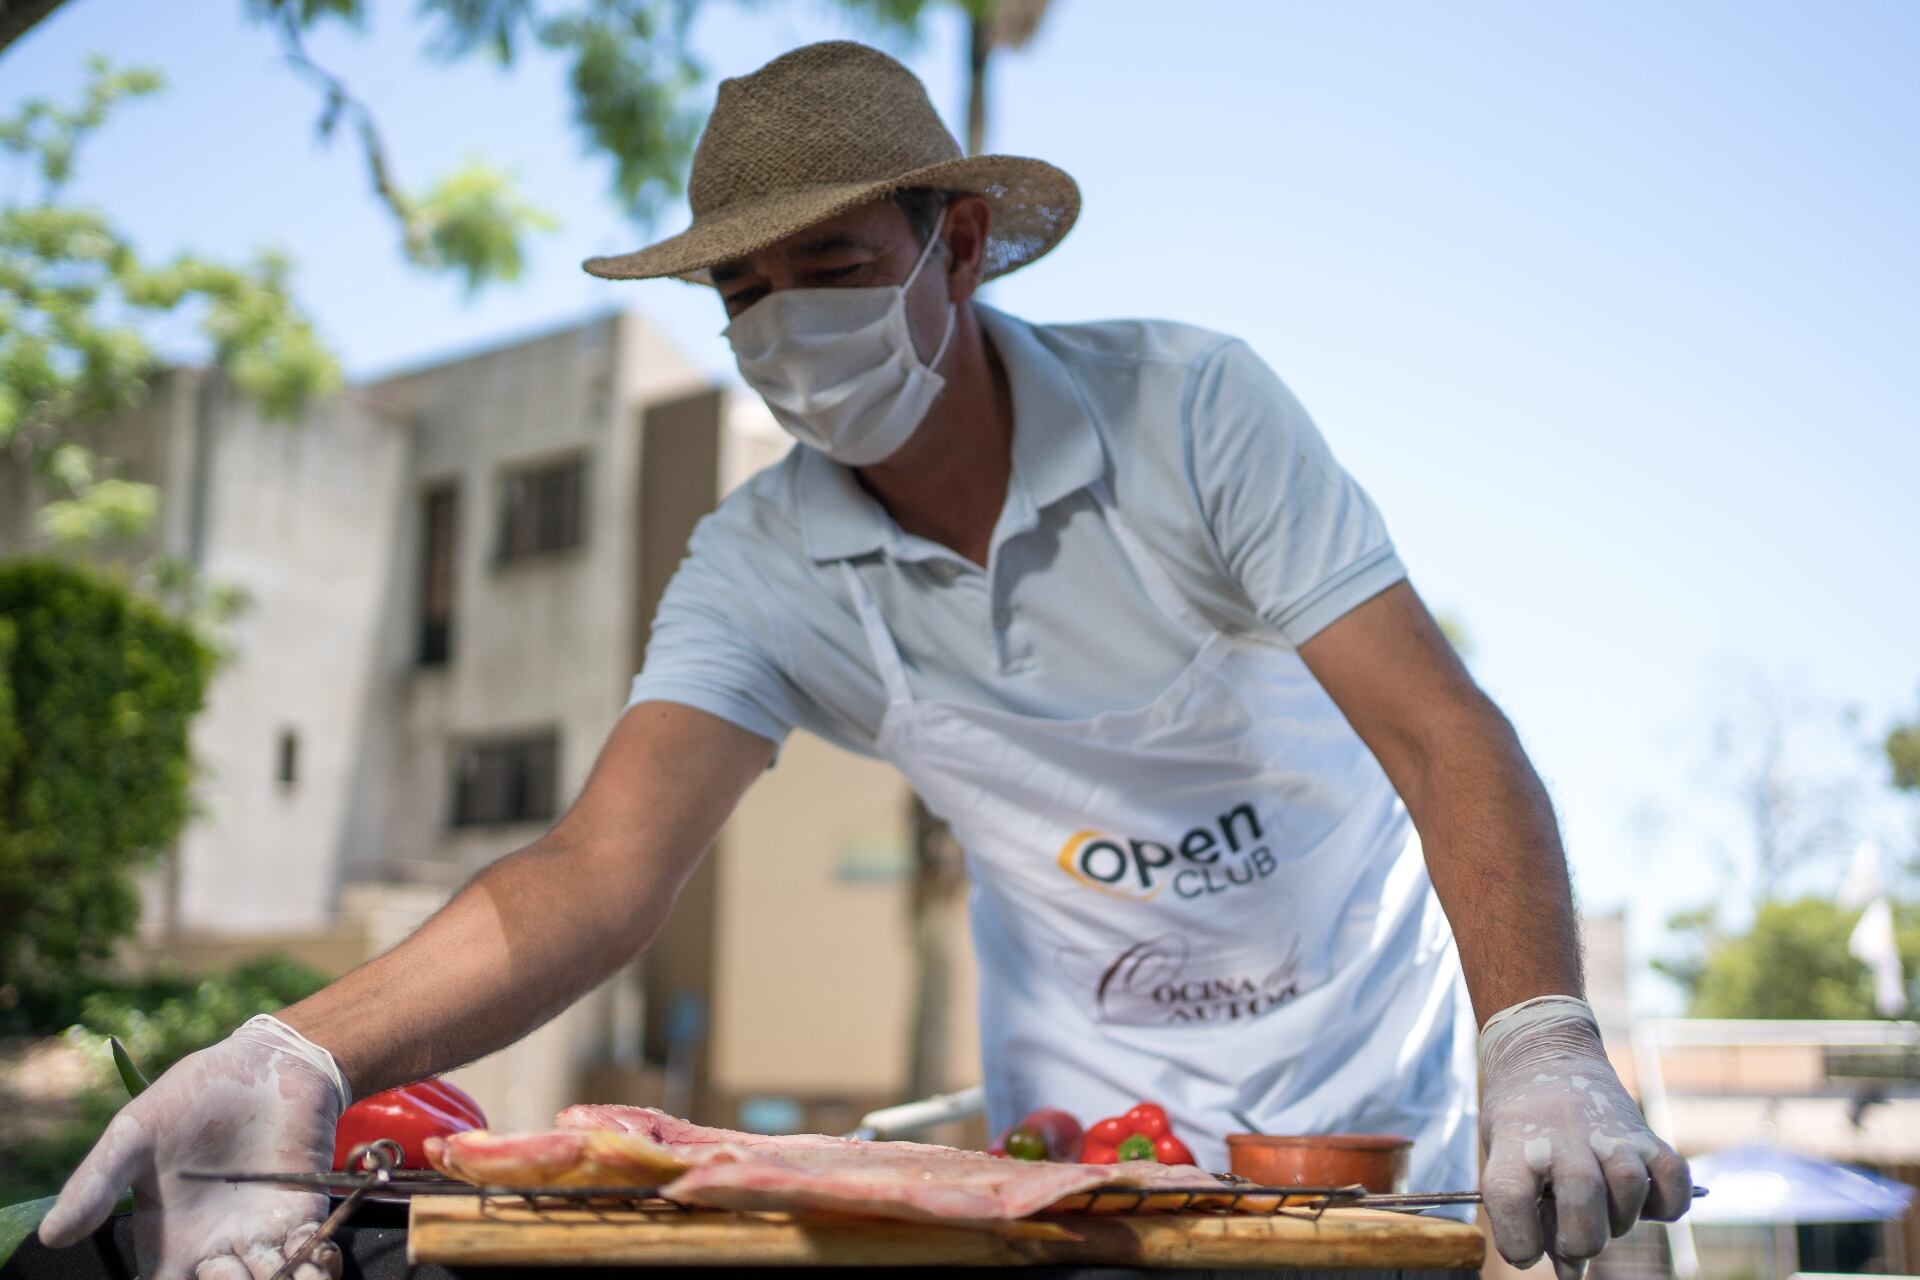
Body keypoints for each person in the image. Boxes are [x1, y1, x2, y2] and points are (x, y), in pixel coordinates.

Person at [40, 39, 1690, 1280]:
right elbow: (594, 876)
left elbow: (1441, 734)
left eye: (828, 268)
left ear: (958, 245)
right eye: (743, 296)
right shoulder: (760, 570)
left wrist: (1540, 1042)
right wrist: (294, 1049)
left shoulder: (1191, 415)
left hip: (1375, 1110)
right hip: (1084, 1151)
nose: (781, 331)